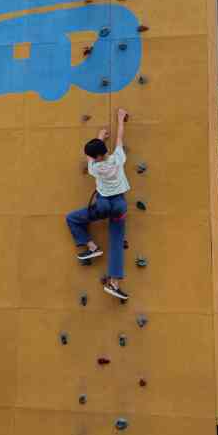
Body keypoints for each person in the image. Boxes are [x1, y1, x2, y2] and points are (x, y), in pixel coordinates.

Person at [66, 108, 130, 301]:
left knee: (72, 218)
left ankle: (92, 246)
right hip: (119, 206)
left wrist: (99, 135)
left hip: (102, 206)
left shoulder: (94, 168)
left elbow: (91, 157)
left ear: (95, 157)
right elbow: (119, 138)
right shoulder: (118, 159)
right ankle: (114, 283)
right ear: (105, 153)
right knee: (116, 242)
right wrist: (120, 119)